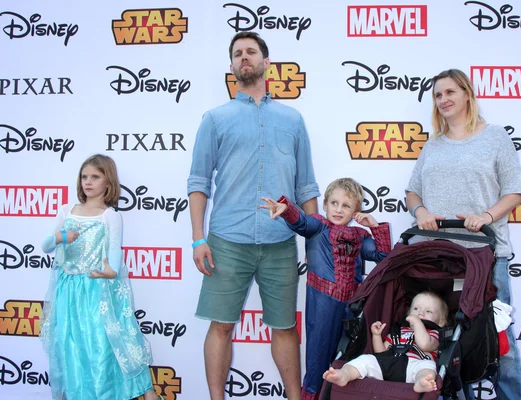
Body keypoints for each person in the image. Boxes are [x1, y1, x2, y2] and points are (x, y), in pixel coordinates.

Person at [187, 31, 320, 400]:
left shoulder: (292, 120)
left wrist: (316, 243)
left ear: (266, 63)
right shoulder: (214, 119)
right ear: (231, 67)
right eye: (237, 53)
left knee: (285, 328)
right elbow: (199, 183)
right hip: (227, 242)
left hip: (280, 244)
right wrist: (198, 239)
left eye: (251, 51)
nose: (244, 57)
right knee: (221, 326)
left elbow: (306, 186)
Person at [405, 68, 521, 399]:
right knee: (445, 343)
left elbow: (515, 192)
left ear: (467, 95)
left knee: (499, 344)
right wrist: (421, 212)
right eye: (438, 95)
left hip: (484, 255)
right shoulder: (433, 145)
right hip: (439, 259)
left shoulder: (495, 136)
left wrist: (486, 215)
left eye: (449, 92)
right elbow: (412, 192)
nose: (443, 99)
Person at [39, 154, 162, 400]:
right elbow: (45, 245)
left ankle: (133, 393)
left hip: (97, 290)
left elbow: (114, 249)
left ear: (108, 182)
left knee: (104, 344)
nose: (88, 182)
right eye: (84, 177)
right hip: (68, 291)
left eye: (95, 177)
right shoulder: (67, 211)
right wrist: (62, 237)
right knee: (70, 344)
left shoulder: (110, 216)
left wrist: (112, 271)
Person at [262, 177, 392, 400]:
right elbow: (301, 222)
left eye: (346, 206)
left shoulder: (360, 237)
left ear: (355, 211)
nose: (339, 210)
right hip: (322, 302)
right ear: (325, 205)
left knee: (349, 361)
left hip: (352, 306)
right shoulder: (318, 226)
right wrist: (286, 210)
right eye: (334, 203)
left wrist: (375, 227)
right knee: (317, 359)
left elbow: (383, 257)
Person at [323, 292, 448, 394]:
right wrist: (376, 336)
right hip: (388, 363)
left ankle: (421, 382)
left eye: (428, 311)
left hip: (414, 366)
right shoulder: (398, 332)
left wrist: (418, 323)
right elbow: (382, 353)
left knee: (428, 366)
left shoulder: (433, 334)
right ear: (408, 314)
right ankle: (345, 374)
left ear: (441, 322)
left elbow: (424, 345)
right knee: (365, 359)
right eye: (416, 309)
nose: (420, 313)